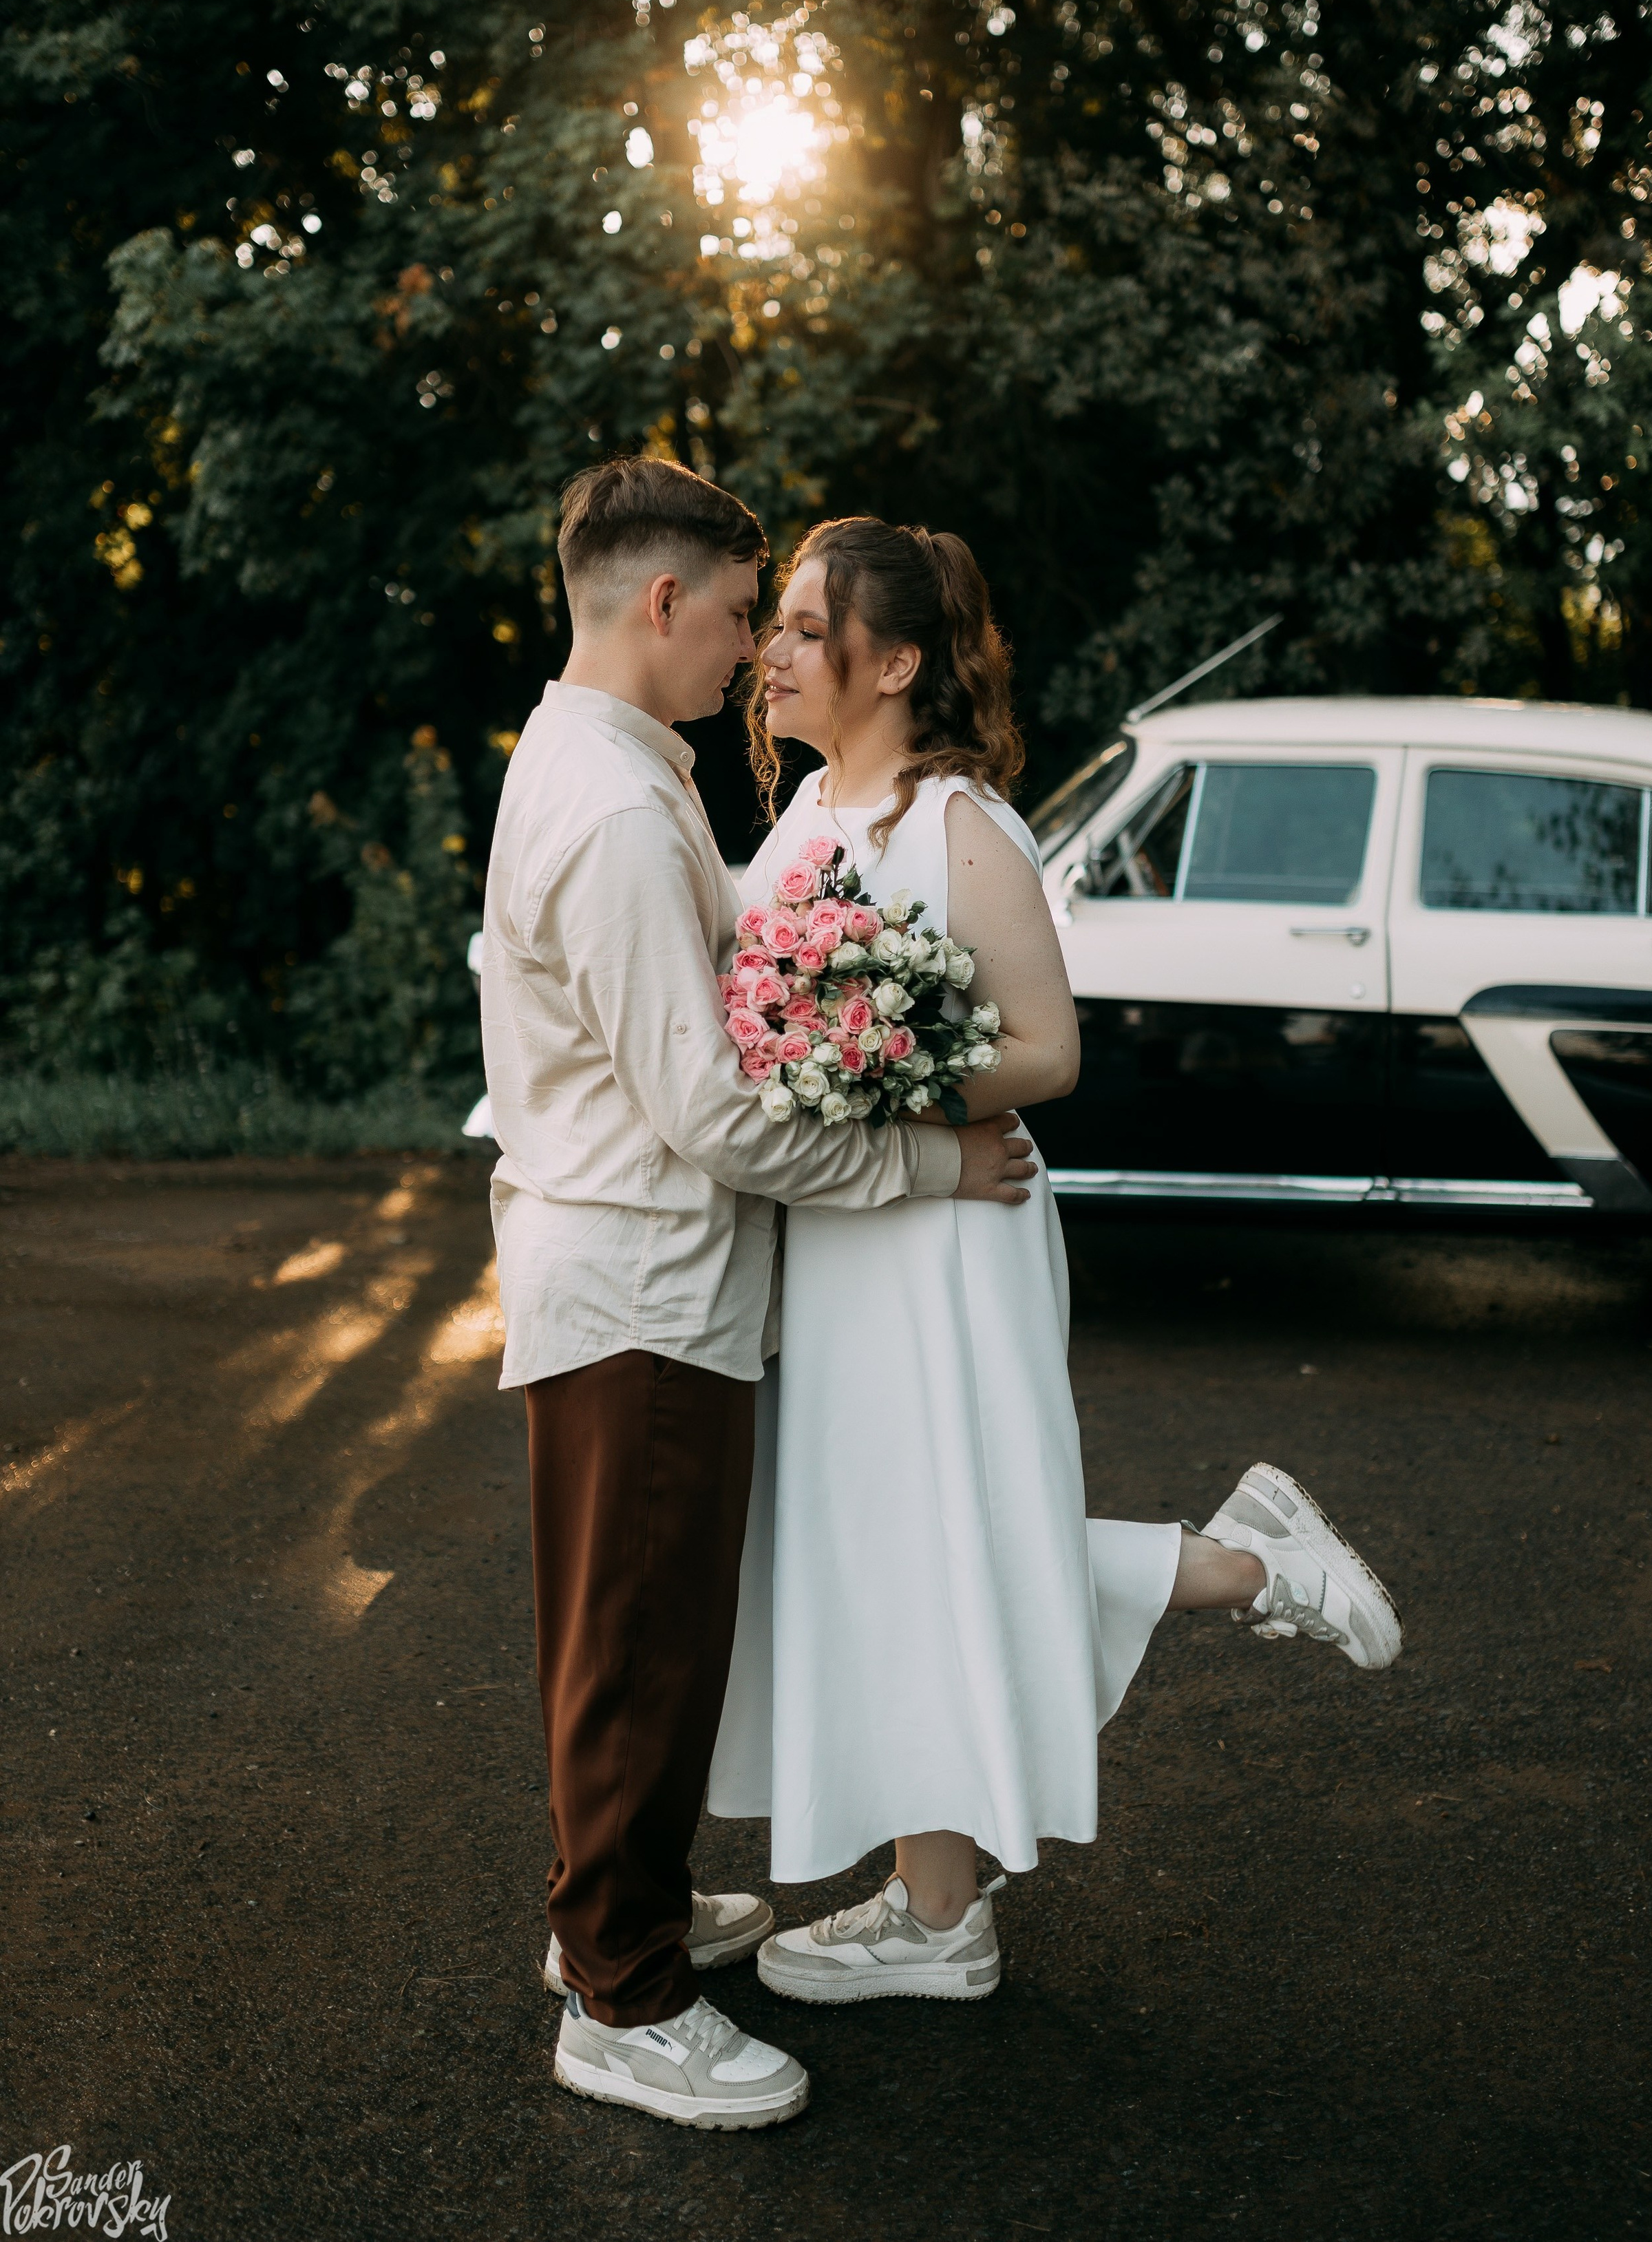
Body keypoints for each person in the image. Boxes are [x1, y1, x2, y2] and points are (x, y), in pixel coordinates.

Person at [705, 516, 1403, 2005]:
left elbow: (1045, 1052)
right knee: (882, 1552)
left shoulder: (959, 827)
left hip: (949, 1240)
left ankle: (1249, 1578)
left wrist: (866, 1072)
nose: (772, 645)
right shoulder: (805, 818)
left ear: (892, 661)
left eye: (806, 623)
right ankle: (939, 1902)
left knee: (946, 1540)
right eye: (774, 620)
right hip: (842, 1239)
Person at [478, 461, 1037, 2132]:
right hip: (645, 1285)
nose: (749, 652)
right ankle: (626, 2000)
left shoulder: (601, 763)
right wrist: (928, 1167)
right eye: (739, 614)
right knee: (637, 1644)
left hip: (637, 1277)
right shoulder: (613, 807)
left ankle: (621, 1904)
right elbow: (712, 1113)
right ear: (663, 605)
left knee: (637, 1626)